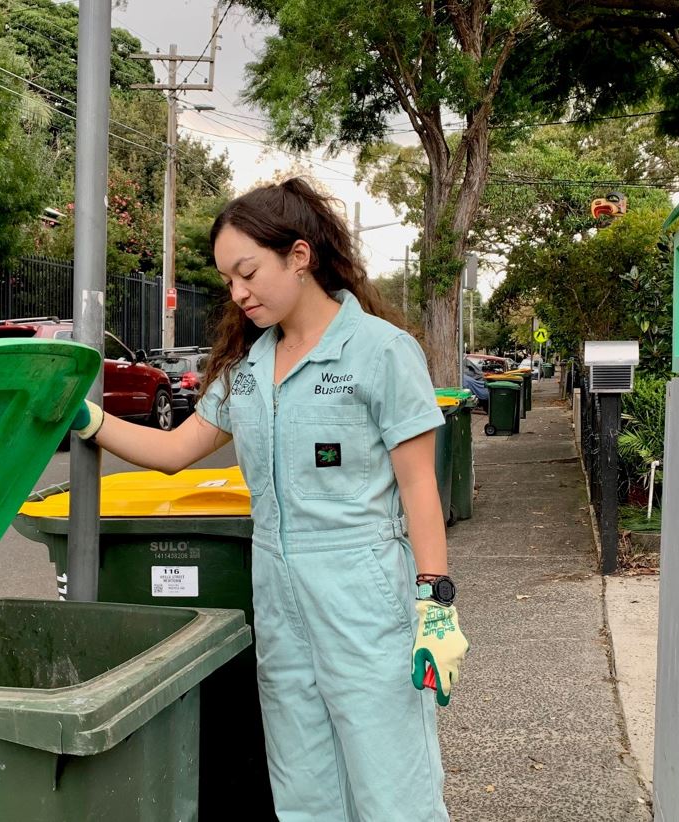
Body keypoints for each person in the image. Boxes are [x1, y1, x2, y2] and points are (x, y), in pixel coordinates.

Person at [70, 178, 469, 821]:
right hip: (278, 598)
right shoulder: (250, 370)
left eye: (248, 272)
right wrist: (88, 419)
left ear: (300, 256)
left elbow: (420, 483)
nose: (238, 293)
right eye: (229, 279)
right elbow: (175, 451)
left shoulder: (382, 353)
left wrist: (436, 600)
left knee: (392, 783)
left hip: (363, 595)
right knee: (303, 785)